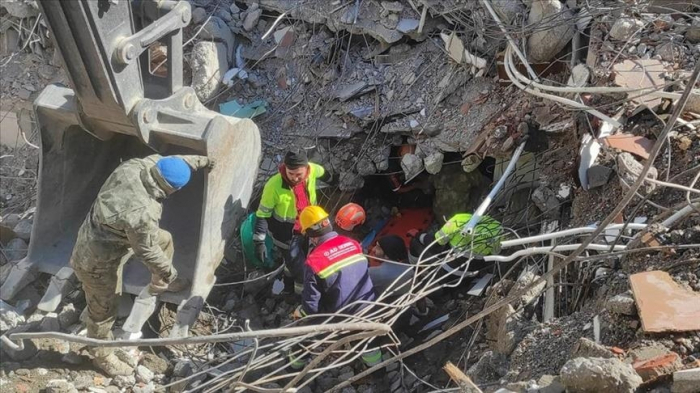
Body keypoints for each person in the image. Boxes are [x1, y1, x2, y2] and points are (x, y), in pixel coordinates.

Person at [70, 155, 213, 376]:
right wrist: (170, 272)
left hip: (112, 236)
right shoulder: (143, 212)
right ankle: (101, 354)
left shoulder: (135, 166)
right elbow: (146, 251)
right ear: (171, 190)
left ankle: (159, 284)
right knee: (105, 309)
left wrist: (202, 160)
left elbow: (169, 160)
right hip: (96, 260)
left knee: (164, 239)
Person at [289, 205, 381, 369]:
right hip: (369, 306)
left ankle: (294, 365)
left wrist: (300, 313)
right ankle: (376, 368)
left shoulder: (314, 261)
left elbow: (311, 307)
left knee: (306, 330)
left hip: (342, 316)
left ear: (310, 235)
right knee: (367, 340)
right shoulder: (353, 244)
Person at [253, 148, 332, 294]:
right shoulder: (274, 185)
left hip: (307, 229)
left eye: (299, 174)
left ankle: (288, 281)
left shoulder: (312, 170)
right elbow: (262, 214)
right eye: (291, 174)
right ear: (285, 168)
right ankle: (299, 295)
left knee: (294, 262)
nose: (295, 178)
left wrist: (333, 180)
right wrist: (259, 241)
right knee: (302, 271)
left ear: (306, 168)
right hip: (286, 236)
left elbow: (323, 173)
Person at [409, 213, 502, 274]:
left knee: (415, 242)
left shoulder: (458, 220)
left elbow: (434, 245)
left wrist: (418, 234)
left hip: (447, 272)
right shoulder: (497, 228)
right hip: (473, 273)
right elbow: (495, 254)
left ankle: (415, 271)